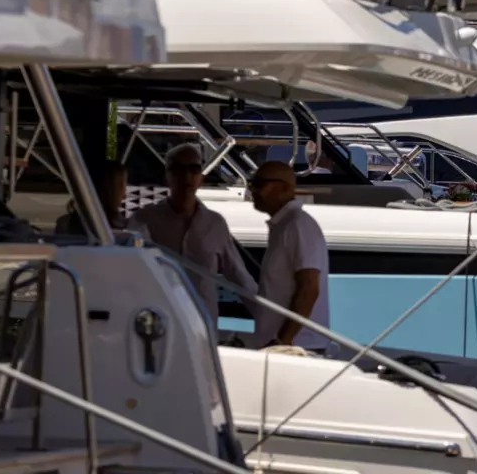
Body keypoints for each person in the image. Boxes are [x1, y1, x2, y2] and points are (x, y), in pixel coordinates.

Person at [128, 143, 256, 320]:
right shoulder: (144, 220)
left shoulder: (215, 223)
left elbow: (239, 278)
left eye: (193, 169)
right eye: (178, 169)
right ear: (167, 177)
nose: (186, 176)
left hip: (204, 325)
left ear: (201, 178)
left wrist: (273, 321)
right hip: (159, 324)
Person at [248, 161, 330, 351]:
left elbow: (308, 288)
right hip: (287, 348)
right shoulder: (286, 225)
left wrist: (282, 341)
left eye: (259, 184)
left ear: (284, 188)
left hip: (297, 349)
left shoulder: (298, 225)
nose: (252, 190)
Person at [56, 160, 131, 237]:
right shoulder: (124, 228)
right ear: (113, 191)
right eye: (122, 186)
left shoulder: (64, 223)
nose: (124, 194)